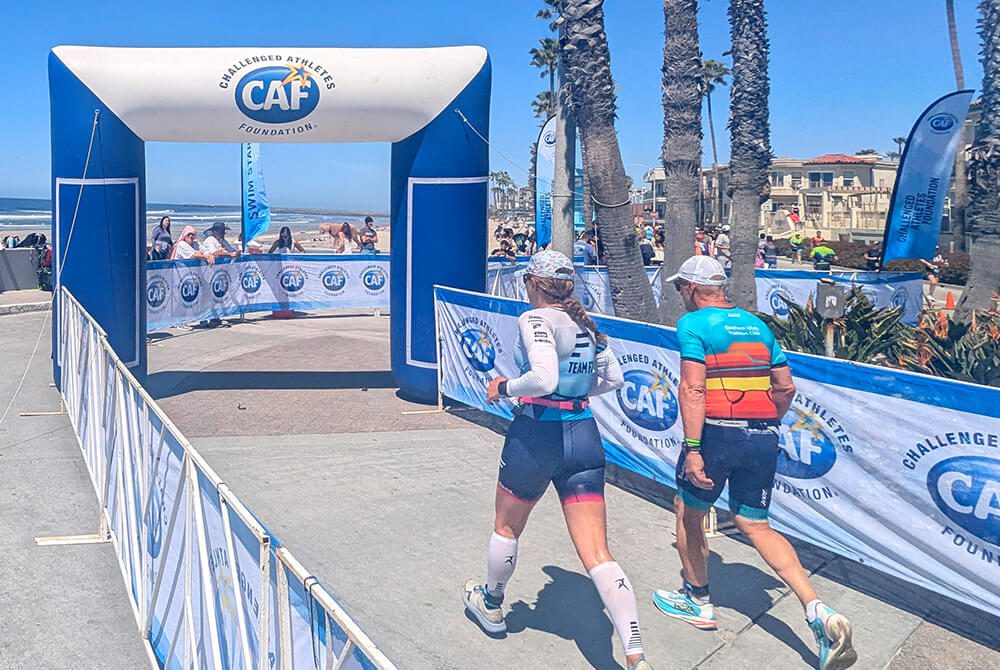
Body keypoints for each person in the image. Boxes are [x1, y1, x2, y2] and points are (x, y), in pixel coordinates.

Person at [654, 256, 856, 670]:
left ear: (693, 289)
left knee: (688, 511)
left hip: (716, 433)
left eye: (680, 289)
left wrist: (694, 449)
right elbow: (785, 386)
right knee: (756, 524)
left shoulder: (694, 325)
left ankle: (698, 601)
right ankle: (818, 610)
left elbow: (693, 388)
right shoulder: (757, 325)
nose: (680, 296)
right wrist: (763, 423)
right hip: (763, 433)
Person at [464, 250, 652, 670]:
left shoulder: (534, 320)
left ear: (532, 283)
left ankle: (492, 604)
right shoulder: (585, 322)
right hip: (583, 432)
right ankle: (635, 652)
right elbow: (615, 380)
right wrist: (575, 399)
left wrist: (504, 387)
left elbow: (544, 378)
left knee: (507, 527)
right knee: (598, 552)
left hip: (537, 433)